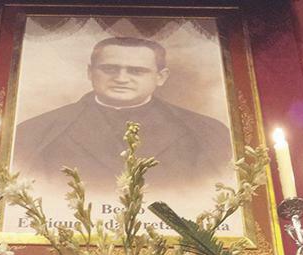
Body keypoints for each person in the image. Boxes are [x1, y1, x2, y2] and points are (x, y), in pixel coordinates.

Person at [13, 36, 234, 197]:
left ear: (160, 77)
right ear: (91, 72)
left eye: (136, 71)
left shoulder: (206, 132)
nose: (121, 78)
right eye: (109, 69)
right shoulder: (37, 131)